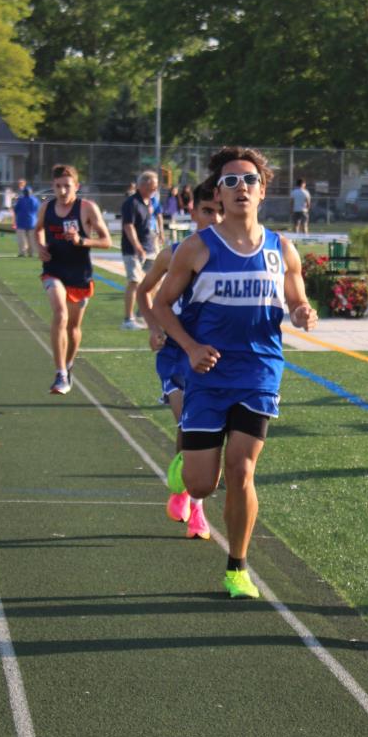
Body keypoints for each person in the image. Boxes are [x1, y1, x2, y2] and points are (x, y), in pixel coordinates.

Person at [152, 145, 317, 599]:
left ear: (263, 192)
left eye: (249, 180)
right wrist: (190, 348)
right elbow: (161, 305)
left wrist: (303, 312)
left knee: (242, 470)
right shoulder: (197, 248)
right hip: (207, 375)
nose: (241, 187)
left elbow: (297, 299)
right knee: (202, 483)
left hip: (259, 372)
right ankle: (184, 471)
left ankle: (237, 567)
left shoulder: (282, 249)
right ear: (219, 195)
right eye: (231, 181)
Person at [138, 179, 223, 540]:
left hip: (213, 354)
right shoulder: (172, 254)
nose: (215, 219)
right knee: (190, 421)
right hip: (176, 353)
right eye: (208, 211)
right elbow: (145, 291)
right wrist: (154, 328)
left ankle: (186, 489)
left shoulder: (232, 257)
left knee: (202, 428)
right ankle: (195, 506)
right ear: (192, 211)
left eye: (220, 212)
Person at [36, 164, 112, 394]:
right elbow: (38, 229)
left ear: (76, 187)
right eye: (58, 186)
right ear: (53, 186)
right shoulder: (47, 207)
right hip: (53, 270)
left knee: (73, 328)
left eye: (67, 186)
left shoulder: (87, 208)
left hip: (79, 274)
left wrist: (81, 241)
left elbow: (107, 241)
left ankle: (68, 365)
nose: (62, 191)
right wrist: (39, 246)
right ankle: (60, 373)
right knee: (60, 314)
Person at [121, 171, 159, 329]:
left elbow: (150, 224)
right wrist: (137, 247)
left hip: (150, 247)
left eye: (155, 187)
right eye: (152, 187)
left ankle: (142, 314)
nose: (154, 190)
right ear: (142, 185)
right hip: (133, 250)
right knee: (134, 282)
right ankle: (128, 319)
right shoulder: (131, 203)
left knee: (152, 283)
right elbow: (128, 226)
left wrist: (155, 240)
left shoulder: (149, 202)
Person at [12, 179, 39, 258]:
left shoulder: (21, 200)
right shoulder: (35, 200)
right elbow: (38, 209)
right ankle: (31, 253)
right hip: (32, 222)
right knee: (31, 238)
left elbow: (16, 209)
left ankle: (23, 252)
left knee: (22, 239)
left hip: (21, 222)